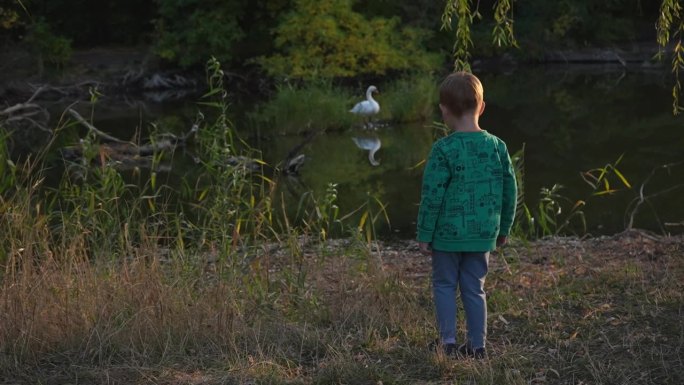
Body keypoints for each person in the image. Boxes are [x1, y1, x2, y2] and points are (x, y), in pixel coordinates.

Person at [416, 71, 517, 359]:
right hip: (482, 234)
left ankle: (448, 343)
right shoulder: (497, 147)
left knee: (445, 284)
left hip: (447, 236)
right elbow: (510, 191)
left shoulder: (443, 149)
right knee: (475, 287)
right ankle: (478, 347)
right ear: (482, 107)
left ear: (444, 111)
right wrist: (504, 228)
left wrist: (425, 234)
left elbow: (432, 195)